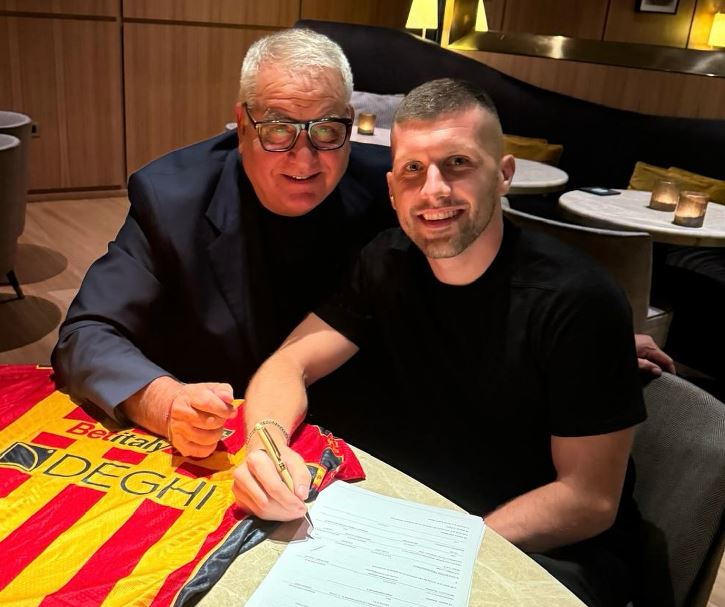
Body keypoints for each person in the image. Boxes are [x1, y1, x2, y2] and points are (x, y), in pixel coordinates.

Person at [233, 78, 649, 607]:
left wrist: (441, 552)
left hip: (549, 555)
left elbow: (588, 500)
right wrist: (264, 447)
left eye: (458, 163)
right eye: (413, 169)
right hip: (422, 521)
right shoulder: (385, 262)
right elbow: (289, 363)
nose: (433, 190)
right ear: (392, 190)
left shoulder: (578, 301)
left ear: (503, 175)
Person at [51, 28, 393, 458]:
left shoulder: (390, 190)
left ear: (348, 120)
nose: (305, 159)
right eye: (278, 129)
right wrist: (166, 402)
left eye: (326, 130)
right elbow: (87, 333)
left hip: (357, 438)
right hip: (217, 440)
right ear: (243, 125)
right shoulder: (172, 198)